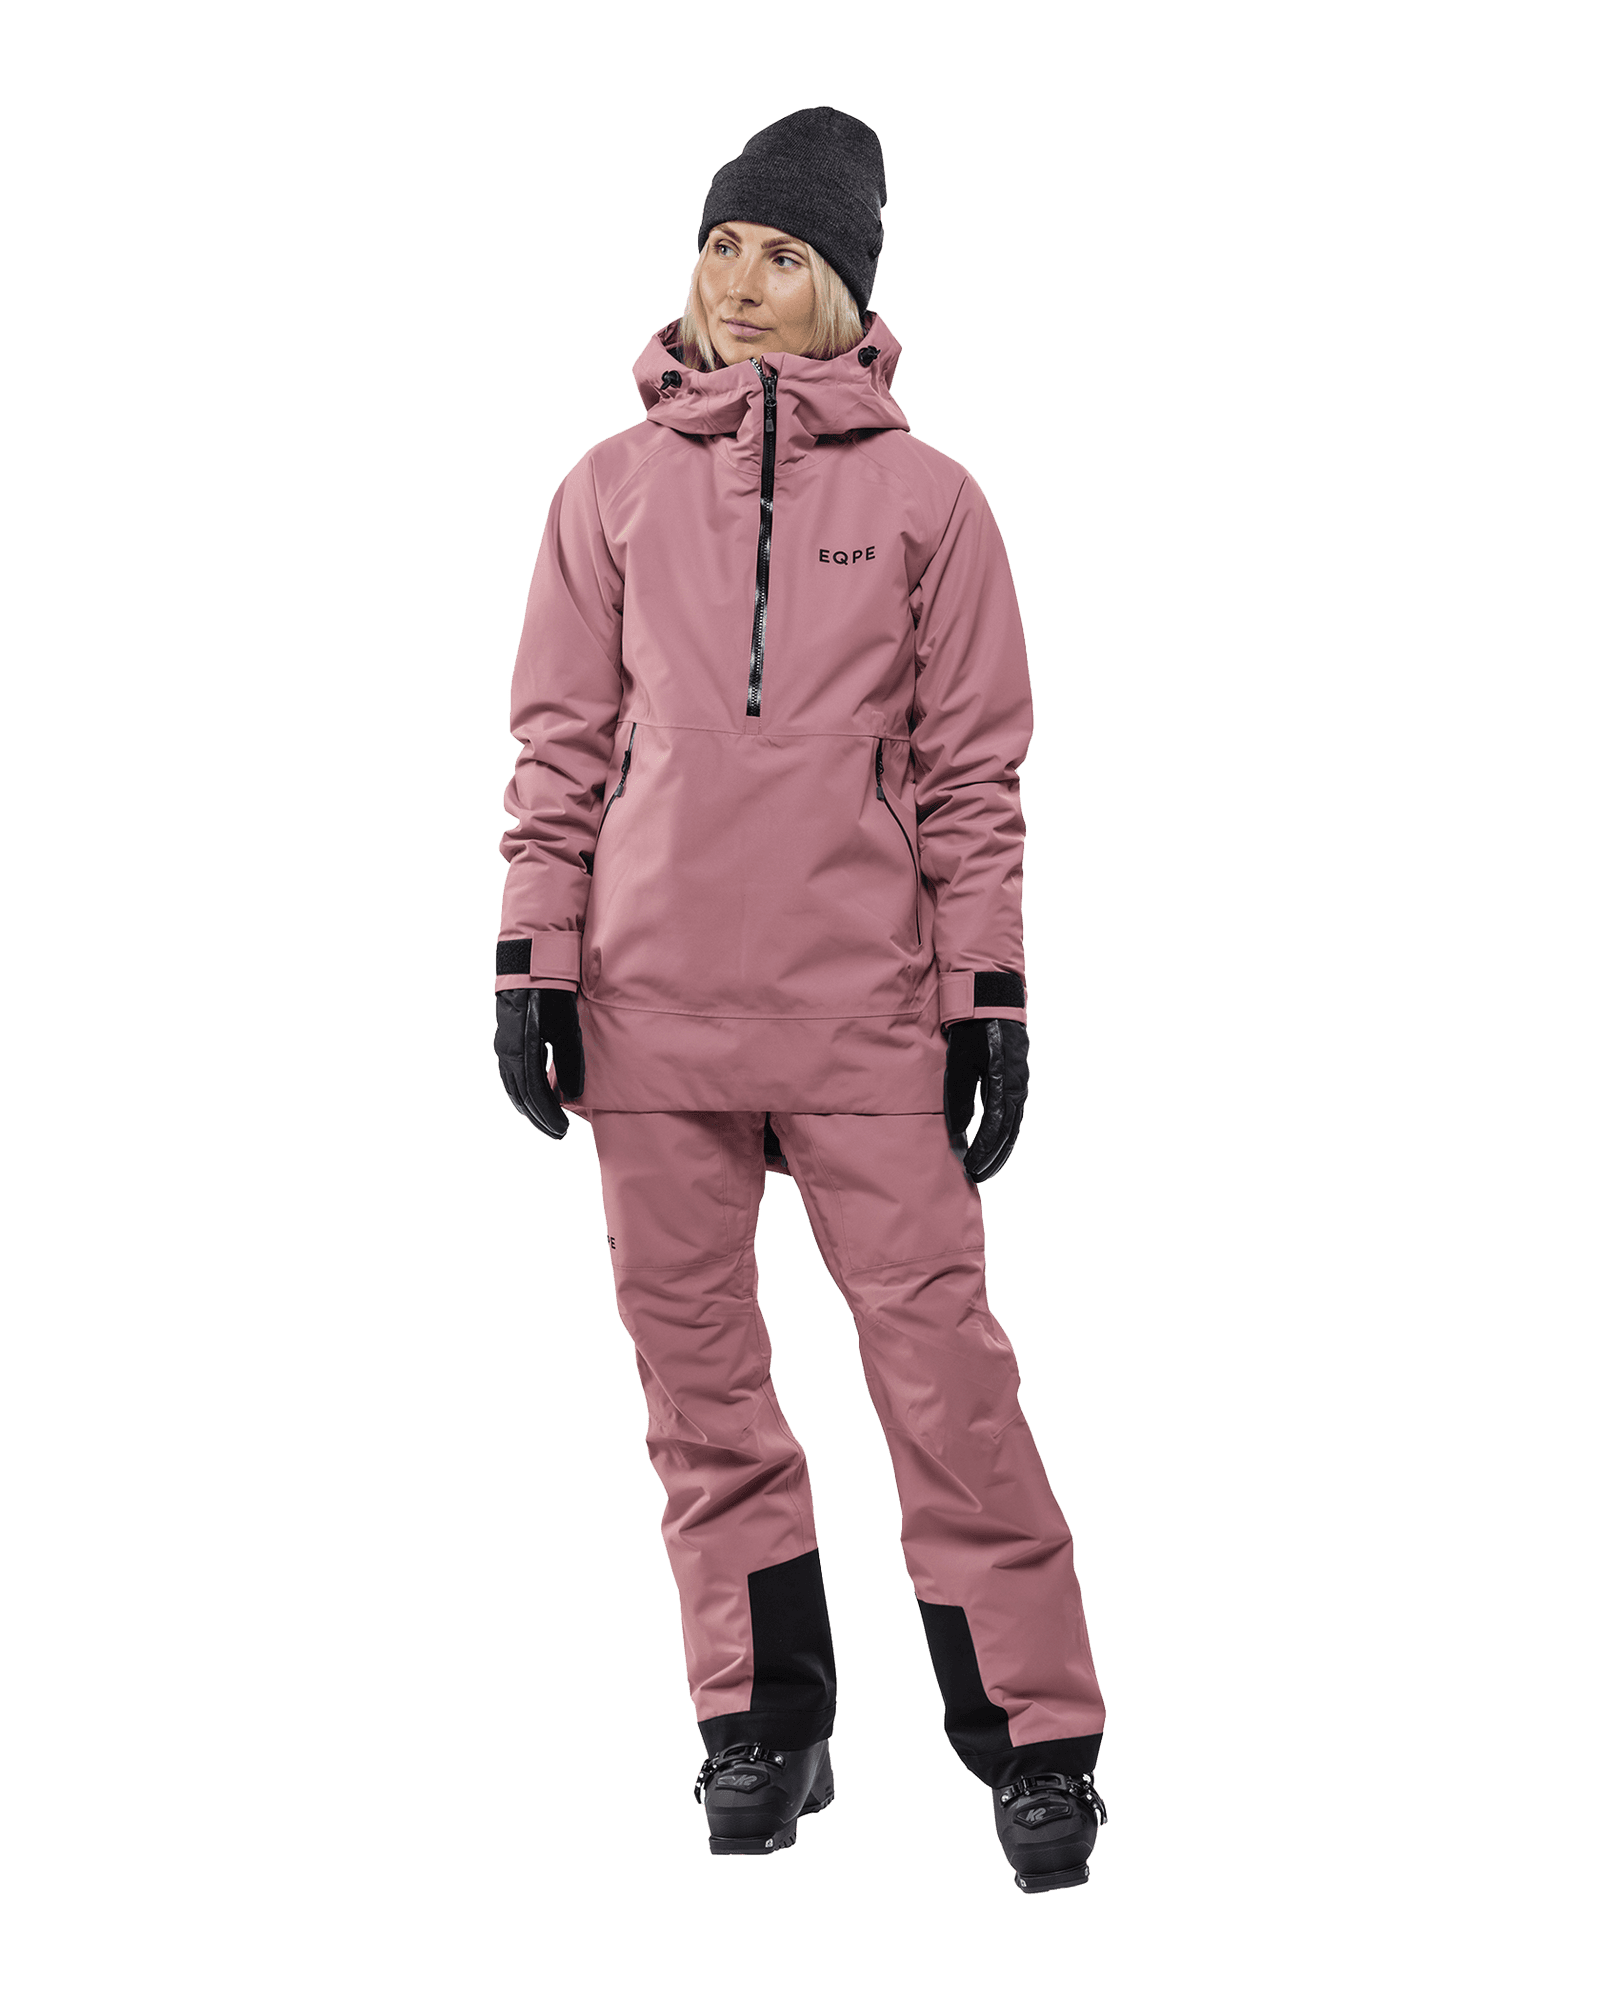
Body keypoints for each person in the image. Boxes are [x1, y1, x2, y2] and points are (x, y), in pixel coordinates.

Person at [491, 106, 1108, 1894]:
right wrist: (534, 960)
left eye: (784, 254)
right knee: (699, 1394)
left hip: (862, 1018)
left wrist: (988, 996)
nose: (742, 282)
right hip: (652, 1013)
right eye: (722, 247)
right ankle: (761, 1715)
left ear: (846, 286)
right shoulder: (603, 489)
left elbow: (975, 778)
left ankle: (1036, 1742)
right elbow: (558, 752)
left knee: (946, 1386)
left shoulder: (935, 503)